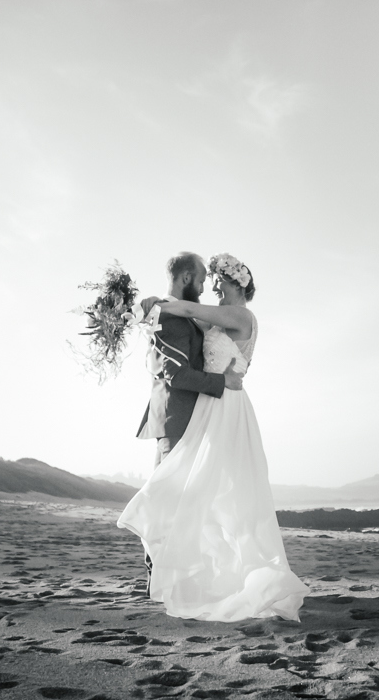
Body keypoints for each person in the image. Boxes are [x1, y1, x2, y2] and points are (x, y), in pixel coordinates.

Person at [118, 253, 309, 622]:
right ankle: (184, 573)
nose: (214, 286)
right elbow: (183, 325)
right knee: (199, 489)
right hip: (209, 405)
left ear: (237, 284)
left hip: (229, 406)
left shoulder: (241, 317)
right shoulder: (213, 324)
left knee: (227, 494)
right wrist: (144, 312)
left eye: (219, 280)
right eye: (211, 279)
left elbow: (189, 310)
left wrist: (158, 304)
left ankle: (242, 576)